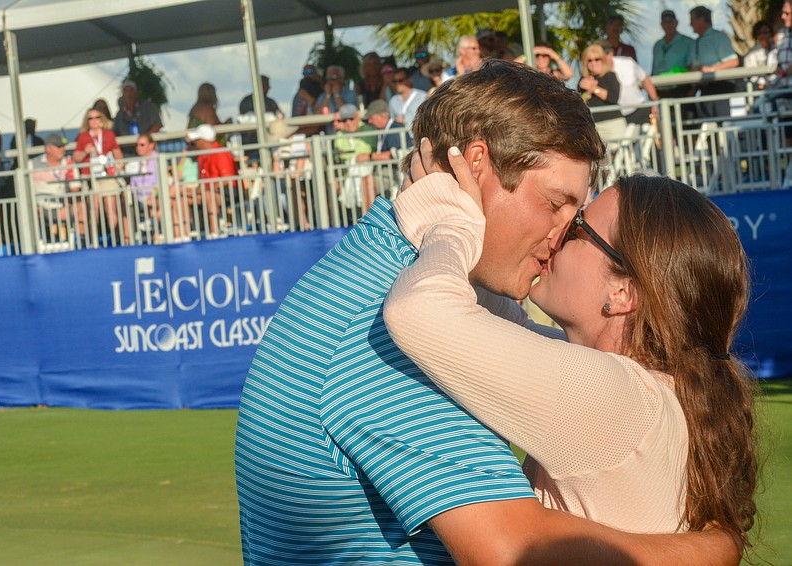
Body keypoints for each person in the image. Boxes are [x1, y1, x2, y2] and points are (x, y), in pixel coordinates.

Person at [234, 59, 741, 565]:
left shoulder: (366, 285)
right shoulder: (383, 334)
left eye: (579, 220)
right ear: (476, 165)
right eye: (557, 203)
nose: (562, 233)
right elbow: (505, 548)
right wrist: (711, 549)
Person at [385, 147, 758, 554]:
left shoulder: (613, 396)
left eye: (578, 227)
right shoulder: (646, 389)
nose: (557, 233)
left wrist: (451, 225)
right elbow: (498, 318)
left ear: (622, 292)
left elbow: (419, 310)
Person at [72, 107, 123, 234]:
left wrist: (117, 167)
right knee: (93, 209)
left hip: (107, 175)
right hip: (90, 176)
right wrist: (85, 152)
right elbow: (76, 157)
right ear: (87, 121)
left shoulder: (108, 135)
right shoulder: (82, 137)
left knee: (110, 207)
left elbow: (118, 154)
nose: (94, 121)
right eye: (90, 118)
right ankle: (94, 240)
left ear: (101, 119)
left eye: (97, 117)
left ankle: (115, 239)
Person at [28, 133, 83, 242]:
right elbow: (28, 190)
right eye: (59, 147)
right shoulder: (32, 164)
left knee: (81, 205)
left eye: (63, 146)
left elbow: (75, 189)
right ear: (48, 149)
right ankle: (44, 240)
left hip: (64, 204)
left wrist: (71, 180)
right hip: (43, 206)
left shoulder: (68, 162)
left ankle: (81, 240)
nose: (63, 149)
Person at [688, 5, 740, 119]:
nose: (690, 24)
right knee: (707, 124)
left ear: (701, 19)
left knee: (724, 122)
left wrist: (712, 69)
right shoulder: (695, 43)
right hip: (704, 89)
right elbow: (690, 65)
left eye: (692, 20)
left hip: (722, 87)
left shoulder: (719, 37)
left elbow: (733, 61)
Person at [186, 123, 237, 236]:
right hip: (209, 191)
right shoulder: (202, 155)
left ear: (202, 141)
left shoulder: (220, 153)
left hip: (226, 192)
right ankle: (183, 235)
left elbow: (227, 180)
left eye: (195, 141)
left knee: (209, 194)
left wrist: (204, 189)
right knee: (182, 196)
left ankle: (214, 232)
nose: (194, 144)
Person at [599, 40, 660, 126]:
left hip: (639, 109)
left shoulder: (627, 63)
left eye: (598, 56)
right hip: (615, 118)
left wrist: (655, 103)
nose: (595, 61)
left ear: (609, 54)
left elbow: (644, 79)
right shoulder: (594, 72)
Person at [578, 44, 626, 142]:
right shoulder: (583, 80)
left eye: (597, 59)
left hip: (613, 123)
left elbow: (613, 97)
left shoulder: (610, 76)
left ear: (603, 60)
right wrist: (588, 91)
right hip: (593, 126)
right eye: (589, 60)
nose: (593, 63)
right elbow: (580, 103)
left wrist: (594, 88)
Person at [651, 10, 695, 100]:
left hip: (680, 89)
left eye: (670, 21)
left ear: (676, 23)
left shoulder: (688, 42)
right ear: (661, 24)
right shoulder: (657, 45)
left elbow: (693, 66)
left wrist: (693, 89)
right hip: (660, 90)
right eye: (665, 22)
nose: (668, 25)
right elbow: (654, 69)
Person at [125, 133, 160, 242]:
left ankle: (156, 235)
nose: (138, 148)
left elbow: (159, 182)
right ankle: (128, 240)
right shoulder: (135, 162)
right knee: (125, 201)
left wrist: (152, 196)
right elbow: (133, 183)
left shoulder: (158, 159)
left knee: (154, 203)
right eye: (137, 145)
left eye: (142, 145)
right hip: (140, 197)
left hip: (155, 194)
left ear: (151, 145)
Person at [113, 80, 163, 154]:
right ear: (123, 95)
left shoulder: (148, 107)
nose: (129, 94)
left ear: (136, 93)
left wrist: (146, 137)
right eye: (126, 91)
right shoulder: (120, 115)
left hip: (148, 150)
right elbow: (114, 132)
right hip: (128, 152)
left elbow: (158, 124)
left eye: (131, 91)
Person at [388, 67, 427, 144]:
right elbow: (391, 122)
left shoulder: (422, 96)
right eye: (395, 81)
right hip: (400, 140)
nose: (398, 84)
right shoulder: (393, 101)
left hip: (418, 139)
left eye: (401, 80)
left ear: (409, 79)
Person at [744, 21, 778, 90]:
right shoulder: (751, 54)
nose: (762, 36)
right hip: (760, 89)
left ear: (771, 34)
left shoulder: (778, 49)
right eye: (759, 33)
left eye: (765, 32)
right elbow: (751, 77)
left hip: (779, 85)